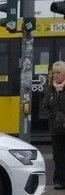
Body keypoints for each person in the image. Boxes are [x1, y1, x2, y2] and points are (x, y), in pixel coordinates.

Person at [40, 60, 65, 188]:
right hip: (56, 129)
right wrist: (54, 117)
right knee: (58, 156)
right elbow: (44, 108)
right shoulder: (50, 89)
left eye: (58, 72)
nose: (55, 75)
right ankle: (59, 181)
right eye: (54, 72)